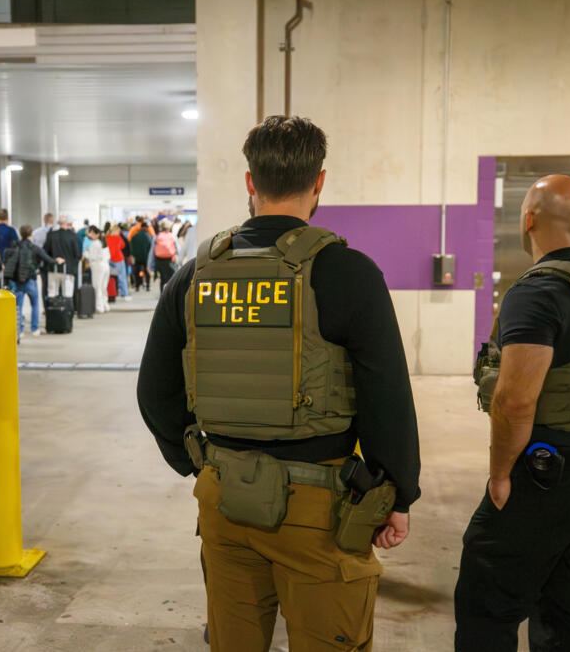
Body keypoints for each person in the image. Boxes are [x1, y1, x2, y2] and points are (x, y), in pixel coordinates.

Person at [137, 116, 420, 651]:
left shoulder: (195, 273)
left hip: (223, 499)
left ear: (250, 182)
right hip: (323, 511)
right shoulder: (349, 272)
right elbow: (388, 398)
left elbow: (154, 391)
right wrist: (398, 494)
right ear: (319, 183)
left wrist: (195, 462)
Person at [455, 175, 570, 651]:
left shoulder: (537, 293)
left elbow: (515, 401)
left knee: (486, 605)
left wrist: (499, 475)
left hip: (542, 473)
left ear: (529, 219)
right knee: (564, 609)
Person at [3, 225, 64, 339]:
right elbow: (47, 259)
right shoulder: (34, 248)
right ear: (31, 234)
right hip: (31, 280)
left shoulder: (15, 247)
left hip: (17, 281)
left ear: (21, 234)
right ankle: (34, 328)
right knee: (35, 304)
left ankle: (20, 330)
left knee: (19, 306)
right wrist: (57, 260)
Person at [83, 225, 111, 314]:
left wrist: (85, 253)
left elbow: (92, 257)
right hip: (106, 266)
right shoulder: (103, 243)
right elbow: (108, 256)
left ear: (97, 234)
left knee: (97, 287)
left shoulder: (94, 244)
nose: (90, 235)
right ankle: (105, 305)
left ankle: (99, 307)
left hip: (97, 267)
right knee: (104, 287)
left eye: (91, 233)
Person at [105, 224, 130, 301]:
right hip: (119, 259)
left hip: (109, 259)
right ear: (116, 231)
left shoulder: (106, 238)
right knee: (122, 277)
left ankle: (110, 294)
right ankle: (125, 294)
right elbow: (123, 246)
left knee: (110, 278)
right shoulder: (118, 238)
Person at [152, 218, 178, 291]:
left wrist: (150, 265)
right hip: (170, 261)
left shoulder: (156, 237)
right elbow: (178, 250)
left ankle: (162, 295)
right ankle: (169, 295)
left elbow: (152, 252)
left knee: (162, 279)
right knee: (170, 279)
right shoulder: (173, 236)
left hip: (159, 261)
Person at [130, 220, 153, 292]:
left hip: (137, 258)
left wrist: (134, 255)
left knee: (137, 272)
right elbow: (151, 247)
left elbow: (132, 247)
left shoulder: (135, 236)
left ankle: (137, 286)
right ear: (145, 227)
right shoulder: (148, 236)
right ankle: (147, 286)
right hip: (146, 258)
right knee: (147, 272)